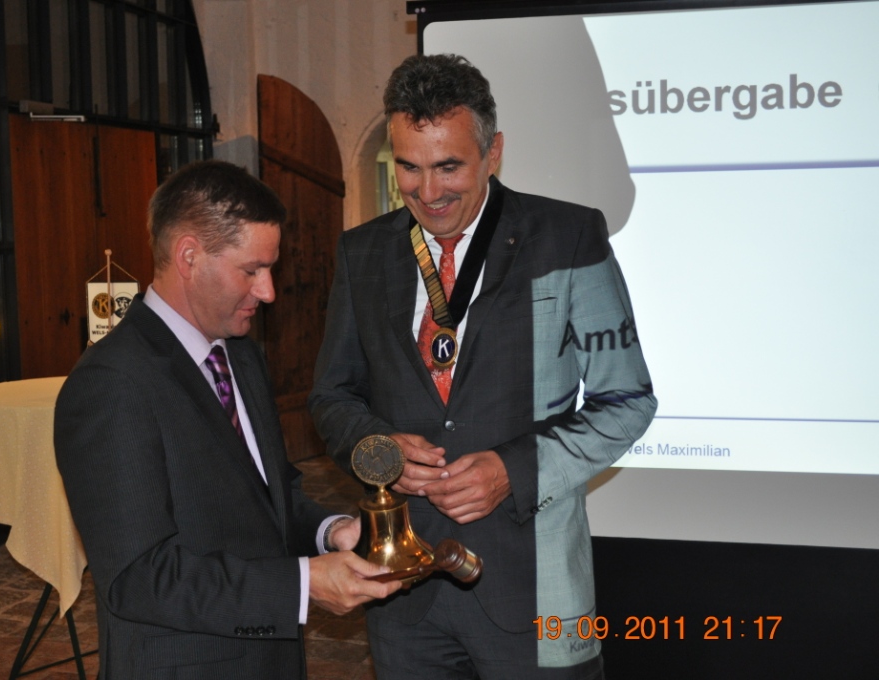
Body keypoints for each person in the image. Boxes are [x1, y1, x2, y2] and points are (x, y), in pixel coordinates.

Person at [309, 54, 657, 679]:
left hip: (536, 586)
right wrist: (376, 448)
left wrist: (510, 471)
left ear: (493, 152)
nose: (428, 192)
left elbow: (627, 402)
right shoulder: (362, 252)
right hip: (402, 595)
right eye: (409, 168)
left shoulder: (568, 235)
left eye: (449, 166)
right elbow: (333, 397)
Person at [55, 160, 400, 678]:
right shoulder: (112, 384)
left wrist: (332, 532)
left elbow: (268, 498)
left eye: (271, 269)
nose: (268, 292)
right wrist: (302, 586)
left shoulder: (239, 354)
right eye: (251, 270)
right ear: (189, 257)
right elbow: (139, 578)